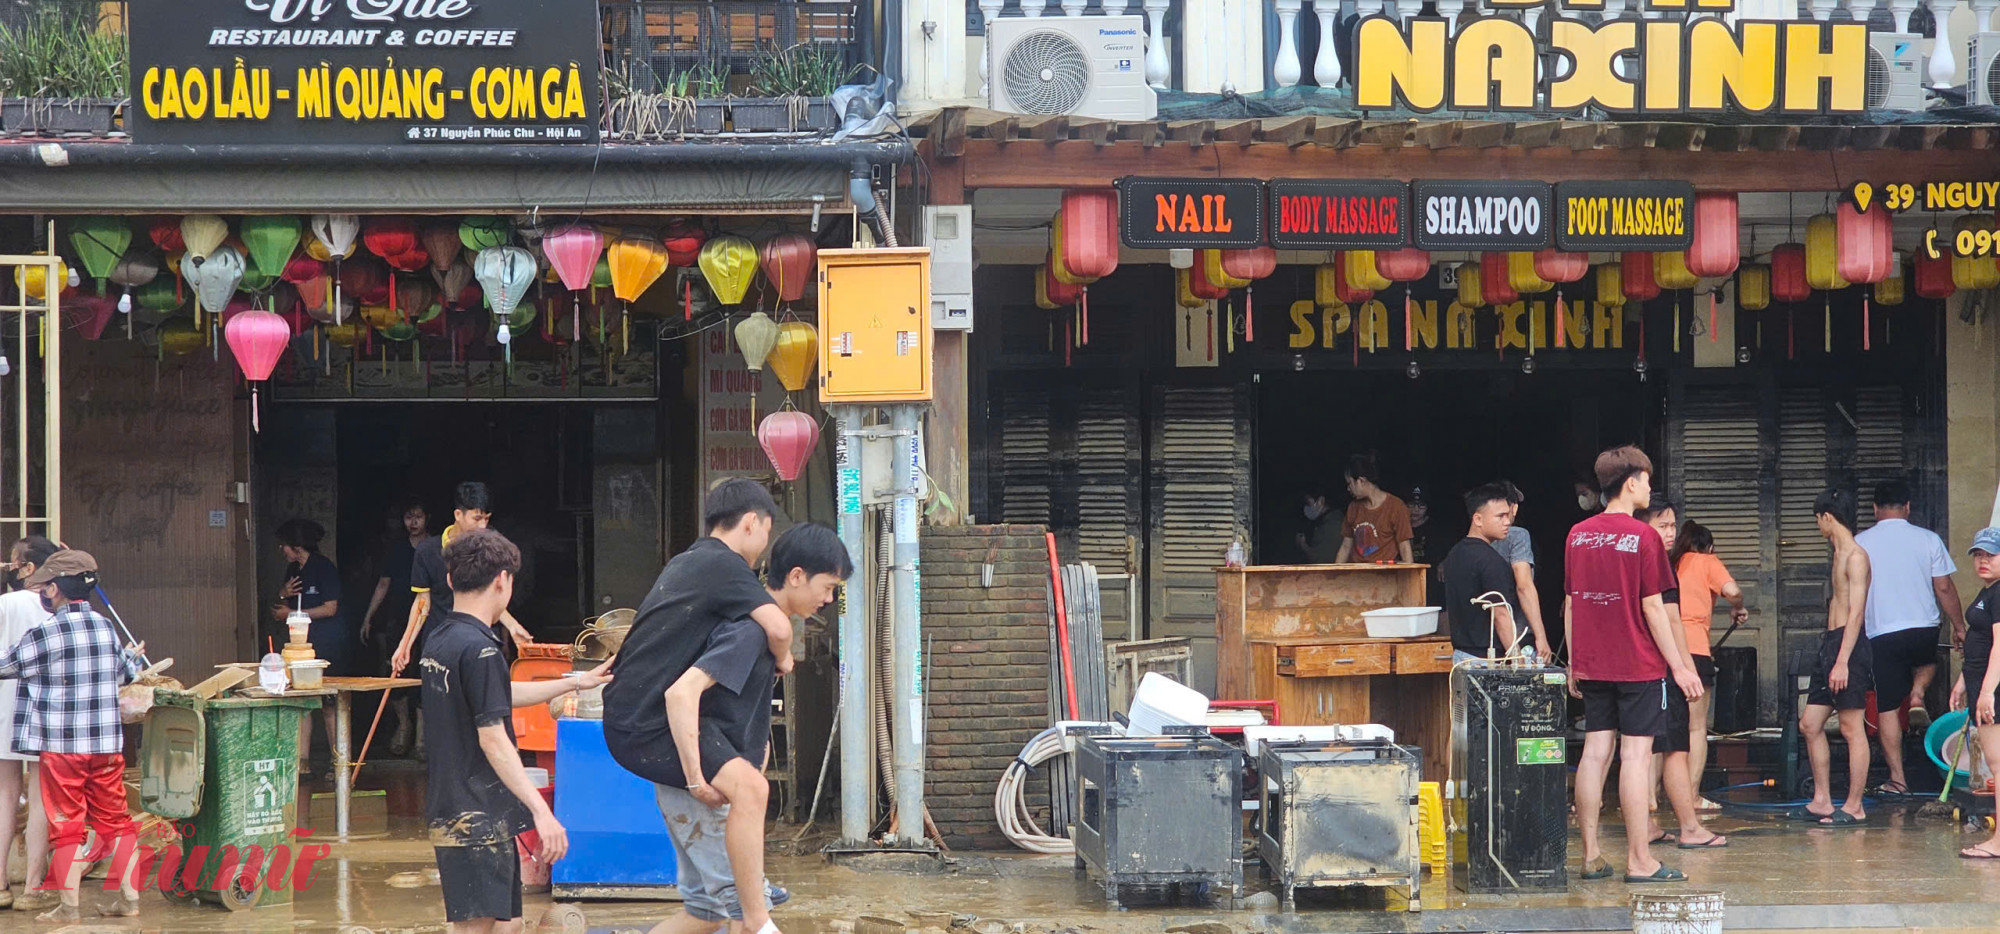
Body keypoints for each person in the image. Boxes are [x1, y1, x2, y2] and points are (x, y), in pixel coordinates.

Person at [603, 479, 802, 929]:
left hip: (634, 716)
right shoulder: (724, 566)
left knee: (704, 912)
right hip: (650, 721)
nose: (763, 545)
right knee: (752, 796)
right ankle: (755, 915)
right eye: (766, 531)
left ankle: (749, 902)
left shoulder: (688, 561)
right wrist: (784, 658)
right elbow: (778, 626)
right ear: (751, 523)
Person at [637, 523, 852, 934]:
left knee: (707, 912)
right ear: (795, 576)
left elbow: (735, 713)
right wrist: (696, 780)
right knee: (746, 909)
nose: (828, 599)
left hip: (701, 780)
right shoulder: (749, 633)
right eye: (827, 587)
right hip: (700, 787)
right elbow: (683, 693)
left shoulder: (765, 636)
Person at [422, 529, 608, 933]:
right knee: (477, 927)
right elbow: (493, 737)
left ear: (451, 579)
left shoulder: (442, 639)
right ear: (503, 580)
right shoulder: (482, 649)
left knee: (510, 924)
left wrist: (576, 681)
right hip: (476, 816)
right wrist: (543, 812)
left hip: (458, 807)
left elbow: (497, 693)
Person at [1564, 446, 1705, 884]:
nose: (1649, 487)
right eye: (1646, 479)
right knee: (1636, 756)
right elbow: (1653, 608)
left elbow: (1570, 603)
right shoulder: (1643, 538)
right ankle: (1640, 861)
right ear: (1630, 483)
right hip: (1638, 665)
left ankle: (1591, 856)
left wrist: (1574, 663)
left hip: (1593, 663)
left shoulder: (1577, 534)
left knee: (1595, 753)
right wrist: (1679, 666)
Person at [0, 550, 144, 921]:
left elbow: (6, 666)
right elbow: (126, 672)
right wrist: (130, 657)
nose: (43, 594)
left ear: (55, 590)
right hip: (108, 746)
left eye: (46, 587)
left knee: (67, 826)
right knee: (117, 820)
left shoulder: (46, 633)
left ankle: (69, 906)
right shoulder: (104, 627)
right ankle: (129, 899)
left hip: (63, 749)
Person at [1854, 479, 1962, 795]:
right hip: (1923, 625)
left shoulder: (1860, 542)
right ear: (1908, 507)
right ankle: (1917, 693)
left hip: (1881, 631)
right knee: (1927, 662)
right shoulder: (1928, 539)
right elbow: (1943, 587)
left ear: (1875, 509)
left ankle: (1898, 779)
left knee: (1887, 705)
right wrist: (1959, 626)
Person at [1633, 499, 1724, 851]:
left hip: (1636, 666)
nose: (1670, 532)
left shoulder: (1633, 557)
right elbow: (1669, 619)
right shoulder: (1657, 563)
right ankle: (1689, 827)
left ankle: (1648, 823)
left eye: (1673, 525)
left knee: (1640, 750)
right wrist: (1684, 669)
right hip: (1660, 666)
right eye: (1663, 525)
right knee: (1674, 746)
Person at [391, 482, 533, 678]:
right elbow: (422, 603)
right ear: (458, 515)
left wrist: (512, 626)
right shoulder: (428, 551)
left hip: (479, 643)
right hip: (439, 644)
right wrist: (405, 645)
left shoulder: (489, 546)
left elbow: (491, 596)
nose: (483, 526)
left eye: (486, 519)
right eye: (477, 518)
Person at [1796, 488, 1873, 826]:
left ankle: (1854, 805)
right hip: (1830, 643)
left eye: (1818, 521)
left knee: (1850, 726)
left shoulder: (1856, 556)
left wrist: (1842, 659)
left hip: (1849, 646)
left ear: (1827, 517)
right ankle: (1822, 799)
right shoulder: (1836, 552)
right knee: (1809, 724)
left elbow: (1856, 613)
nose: (1818, 527)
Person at [1670, 521, 1747, 811]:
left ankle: (1650, 797)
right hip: (1695, 652)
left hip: (1666, 649)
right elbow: (1732, 589)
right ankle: (1690, 798)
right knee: (1695, 728)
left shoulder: (1670, 563)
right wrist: (1737, 606)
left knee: (1659, 728)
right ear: (1709, 547)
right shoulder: (1707, 561)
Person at [0, 537, 56, 912]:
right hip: (44, 710)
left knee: (4, 795)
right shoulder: (56, 606)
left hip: (2, 707)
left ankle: (0, 884)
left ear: (28, 568)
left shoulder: (5, 604)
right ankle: (33, 887)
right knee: (40, 798)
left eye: (12, 563)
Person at [272, 518, 352, 774]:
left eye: (283, 545)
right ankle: (302, 763)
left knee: (329, 702)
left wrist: (293, 615)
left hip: (328, 643)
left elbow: (331, 608)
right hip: (301, 647)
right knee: (302, 701)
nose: (281, 550)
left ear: (297, 545)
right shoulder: (294, 571)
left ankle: (339, 764)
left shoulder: (323, 568)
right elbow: (283, 606)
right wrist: (283, 594)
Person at [362, 500, 427, 756]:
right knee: (396, 673)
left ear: (427, 518)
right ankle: (404, 726)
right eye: (408, 516)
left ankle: (422, 736)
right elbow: (383, 584)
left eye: (418, 516)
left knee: (425, 675)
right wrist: (368, 617)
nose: (413, 522)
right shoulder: (396, 549)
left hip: (427, 621)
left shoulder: (436, 547)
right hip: (396, 621)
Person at [1950, 527, 2000, 860]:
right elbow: (1979, 647)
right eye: (1978, 555)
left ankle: (1998, 842)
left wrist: (1986, 691)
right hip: (1982, 684)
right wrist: (1963, 681)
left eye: (1991, 555)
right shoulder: (1988, 592)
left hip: (1993, 690)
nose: (1983, 561)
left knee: (1999, 766)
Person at [1437, 484, 1518, 663]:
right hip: (1487, 660)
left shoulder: (1454, 554)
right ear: (1478, 519)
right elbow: (1501, 615)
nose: (1507, 522)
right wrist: (1518, 660)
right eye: (1500, 516)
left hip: (1460, 655)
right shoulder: (1491, 561)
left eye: (1508, 515)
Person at [1492, 481, 1550, 659]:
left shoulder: (1469, 543)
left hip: (1484, 637)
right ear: (1513, 507)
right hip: (1518, 632)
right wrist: (1541, 637)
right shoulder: (1518, 535)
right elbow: (1523, 585)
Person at [1335, 453, 1414, 564]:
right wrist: (1335, 576)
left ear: (1361, 481)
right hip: (1356, 575)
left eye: (1349, 483)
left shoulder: (1396, 507)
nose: (1348, 489)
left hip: (1384, 576)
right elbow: (1345, 547)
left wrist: (1409, 579)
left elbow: (1405, 547)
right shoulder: (1353, 507)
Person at [1295, 490, 1341, 564]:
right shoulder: (1322, 522)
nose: (1306, 507)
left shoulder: (1334, 524)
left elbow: (1322, 559)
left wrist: (1303, 546)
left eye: (1308, 503)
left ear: (1321, 501)